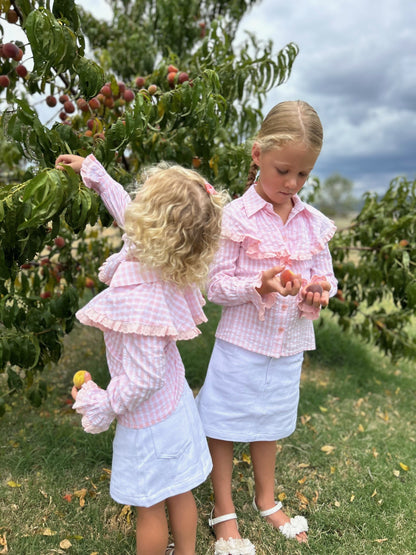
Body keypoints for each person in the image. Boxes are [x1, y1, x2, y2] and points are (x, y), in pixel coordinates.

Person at [55, 153, 228, 555]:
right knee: (180, 492)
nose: (134, 211)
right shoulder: (164, 261)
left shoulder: (139, 299)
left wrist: (104, 402)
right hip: (176, 404)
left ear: (150, 225)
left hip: (150, 425)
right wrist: (95, 176)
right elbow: (125, 211)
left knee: (150, 506)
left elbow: (143, 379)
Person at [195, 100, 338, 553]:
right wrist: (260, 282)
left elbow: (327, 276)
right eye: (284, 171)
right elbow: (214, 285)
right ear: (257, 155)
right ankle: (223, 508)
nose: (292, 184)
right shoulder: (233, 218)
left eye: (303, 175)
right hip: (242, 344)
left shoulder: (311, 223)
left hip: (288, 344)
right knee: (222, 422)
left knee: (268, 424)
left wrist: (318, 290)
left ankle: (266, 499)